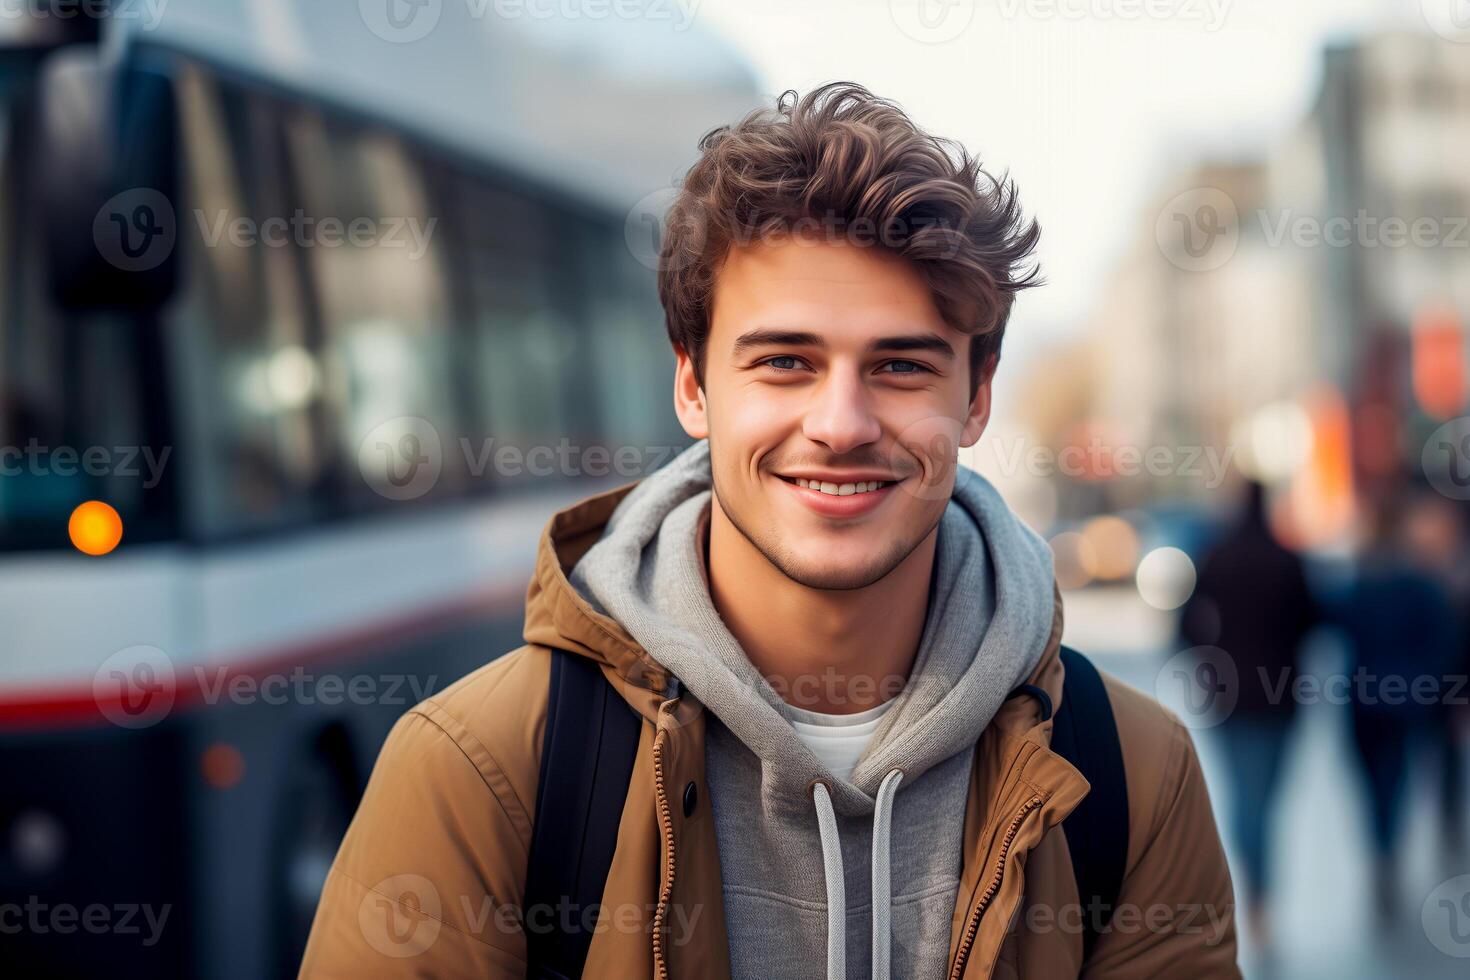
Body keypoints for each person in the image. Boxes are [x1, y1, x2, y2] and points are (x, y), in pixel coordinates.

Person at [298, 82, 1240, 978]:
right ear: (694, 387)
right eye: (785, 361)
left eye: (903, 366)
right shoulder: (482, 772)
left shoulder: (1130, 776)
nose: (840, 423)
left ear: (978, 398)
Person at [1178, 480, 1318, 951]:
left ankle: (1255, 892)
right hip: (1280, 698)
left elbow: (1183, 623)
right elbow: (1313, 620)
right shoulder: (1287, 559)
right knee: (1267, 797)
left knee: (1243, 795)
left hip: (1229, 696)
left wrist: (1208, 658)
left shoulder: (1217, 556)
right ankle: (1260, 893)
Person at [1335, 490, 1465, 925]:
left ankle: (1382, 849)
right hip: (1404, 702)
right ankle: (1388, 852)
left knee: (1375, 784)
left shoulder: (1359, 584)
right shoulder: (1421, 585)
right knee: (1395, 779)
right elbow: (1444, 644)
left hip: (1365, 703)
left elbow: (1337, 630)